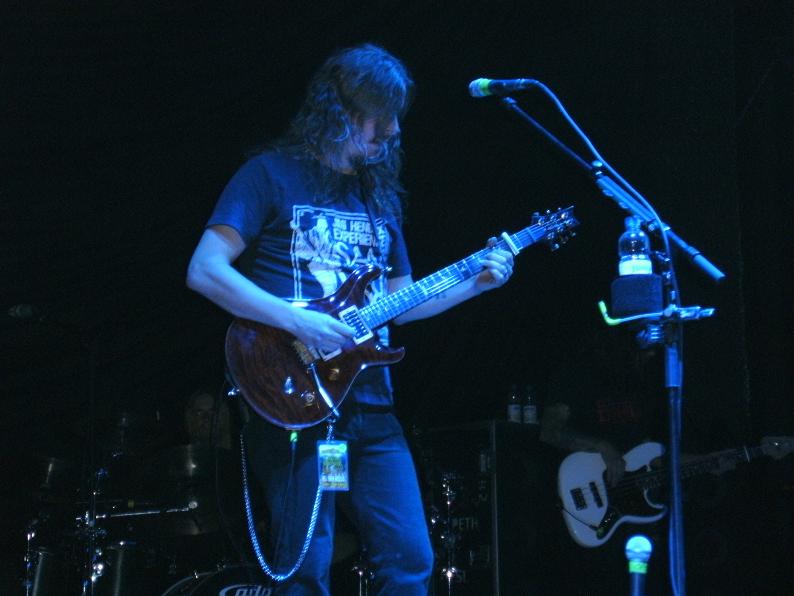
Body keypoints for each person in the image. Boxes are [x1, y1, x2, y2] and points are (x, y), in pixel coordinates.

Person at [186, 43, 514, 595]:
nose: (392, 130)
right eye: (380, 115)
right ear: (339, 110)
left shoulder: (377, 198)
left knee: (410, 559)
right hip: (292, 397)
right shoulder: (269, 175)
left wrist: (476, 284)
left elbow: (403, 302)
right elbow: (205, 270)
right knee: (306, 567)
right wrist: (298, 323)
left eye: (396, 118)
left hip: (369, 406)